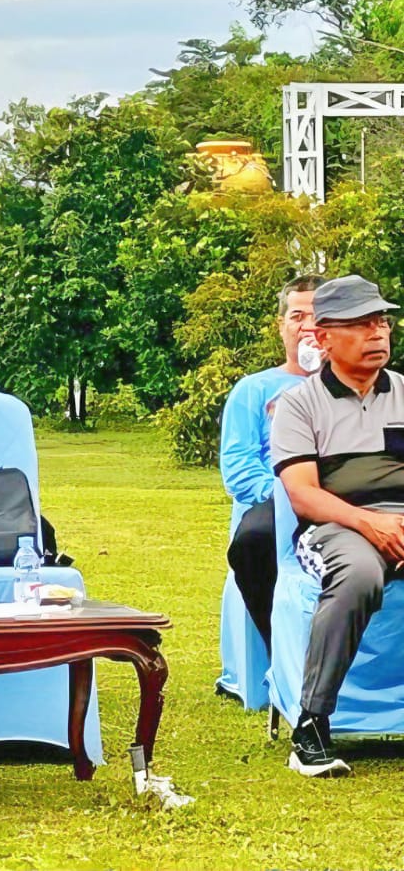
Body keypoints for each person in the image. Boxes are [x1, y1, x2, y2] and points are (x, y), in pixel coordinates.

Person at [270, 274, 402, 778]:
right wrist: (373, 524)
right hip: (336, 525)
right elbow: (303, 494)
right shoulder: (299, 405)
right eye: (362, 324)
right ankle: (312, 724)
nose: (377, 334)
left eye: (383, 322)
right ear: (323, 338)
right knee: (360, 575)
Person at [220, 276, 324, 650]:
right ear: (281, 326)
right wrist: (290, 494)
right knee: (254, 541)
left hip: (344, 500)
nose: (308, 327)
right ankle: (284, 654)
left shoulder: (352, 384)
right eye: (297, 316)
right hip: (278, 502)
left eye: (319, 316)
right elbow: (238, 467)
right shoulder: (254, 390)